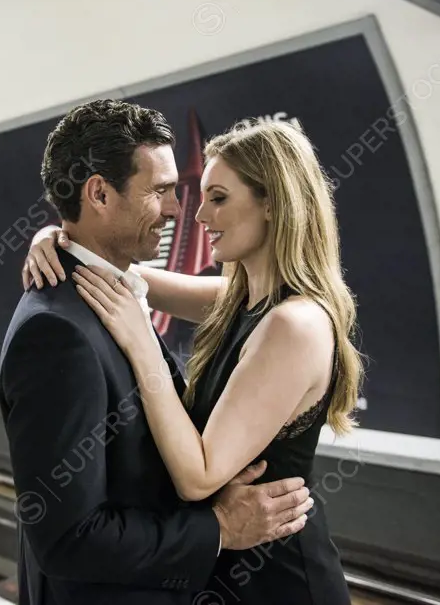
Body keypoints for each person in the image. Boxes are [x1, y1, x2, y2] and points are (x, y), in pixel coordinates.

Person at [22, 116, 360, 604]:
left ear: (272, 203)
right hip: (228, 567)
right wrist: (56, 237)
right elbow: (120, 271)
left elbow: (199, 476)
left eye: (218, 198)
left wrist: (142, 345)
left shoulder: (295, 326)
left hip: (278, 579)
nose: (197, 217)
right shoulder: (238, 300)